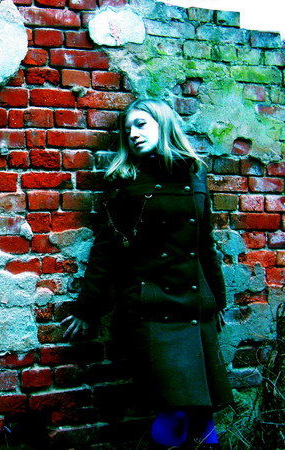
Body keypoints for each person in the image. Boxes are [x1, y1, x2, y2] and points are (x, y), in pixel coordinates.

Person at [63, 99, 233, 448]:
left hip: (194, 308)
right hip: (152, 309)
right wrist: (87, 309)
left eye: (141, 125)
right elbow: (107, 249)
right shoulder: (124, 180)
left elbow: (204, 243)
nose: (133, 134)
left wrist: (216, 300)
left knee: (202, 413)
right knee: (176, 410)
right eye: (128, 130)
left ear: (163, 124)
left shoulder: (194, 172)